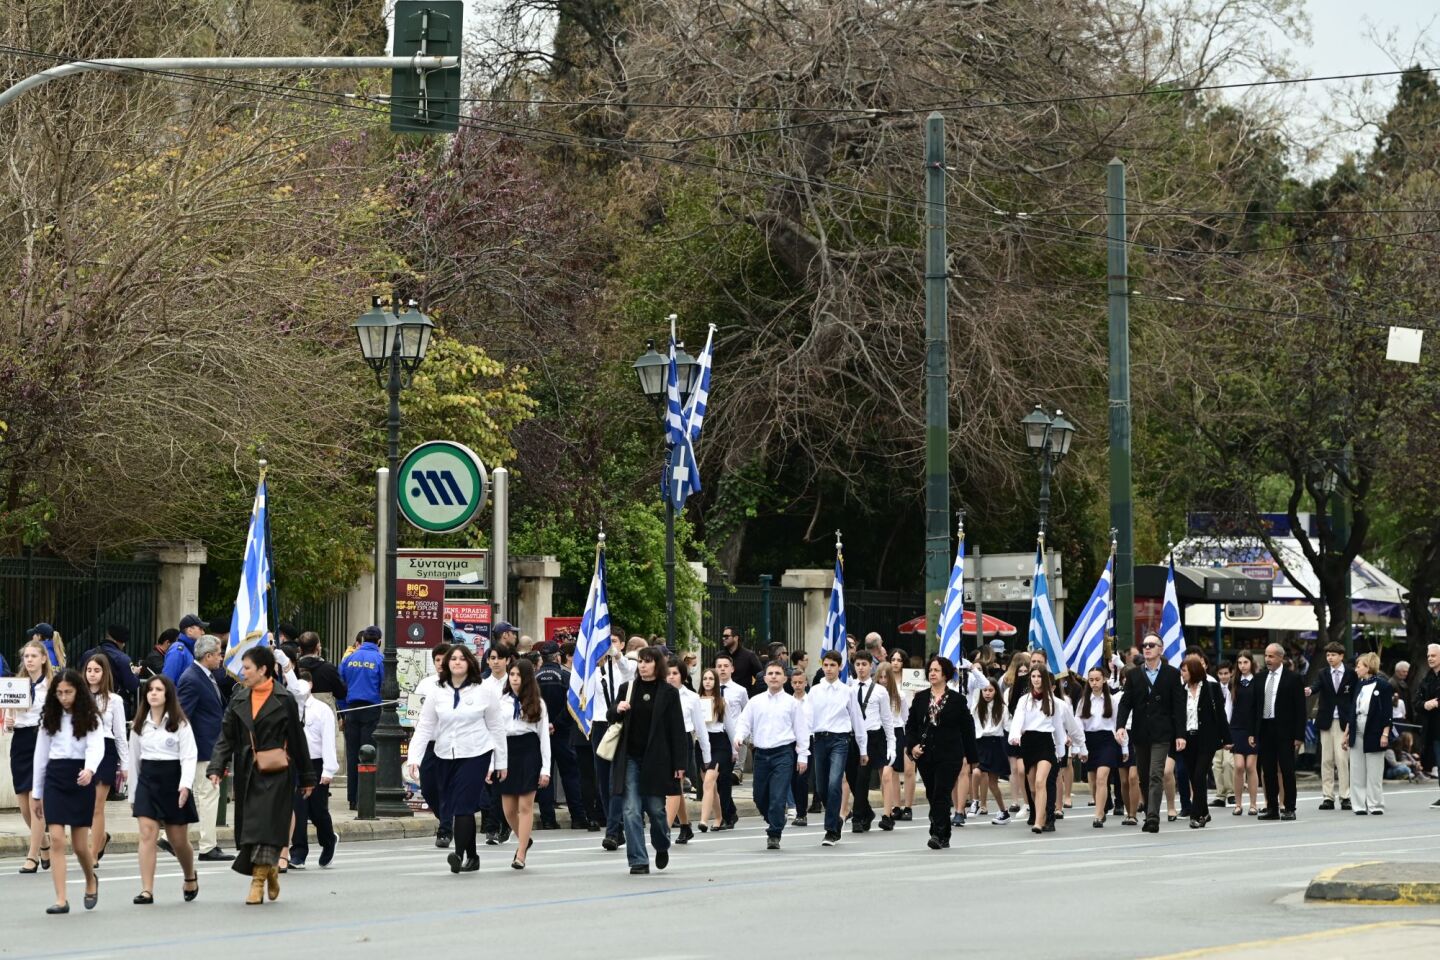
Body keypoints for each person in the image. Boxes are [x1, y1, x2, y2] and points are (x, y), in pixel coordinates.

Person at [206, 646, 314, 904]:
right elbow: (226, 737)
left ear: (263, 669)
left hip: (277, 771)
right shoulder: (239, 698)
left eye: (247, 668)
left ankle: (257, 881)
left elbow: (297, 740)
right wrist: (216, 767)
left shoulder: (284, 698)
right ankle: (271, 872)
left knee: (266, 825)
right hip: (248, 772)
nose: (242, 672)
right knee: (251, 829)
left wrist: (308, 776)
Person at [406, 645, 507, 874]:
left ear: (470, 662)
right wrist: (415, 757)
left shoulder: (484, 690)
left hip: (476, 753)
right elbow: (425, 726)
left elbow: (496, 727)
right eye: (453, 659)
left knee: (463, 804)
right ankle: (472, 856)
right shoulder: (437, 691)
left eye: (462, 658)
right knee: (453, 804)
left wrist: (500, 762)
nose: (457, 662)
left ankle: (458, 855)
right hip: (444, 753)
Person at [607, 646, 688, 874]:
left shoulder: (668, 693)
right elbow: (610, 715)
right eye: (640, 661)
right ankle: (638, 860)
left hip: (657, 761)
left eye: (648, 661)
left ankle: (662, 845)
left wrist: (679, 765)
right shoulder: (628, 688)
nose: (643, 665)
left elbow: (677, 730)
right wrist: (618, 708)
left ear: (657, 665)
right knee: (631, 810)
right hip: (630, 758)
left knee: (656, 811)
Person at [31, 668, 104, 913]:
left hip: (81, 777)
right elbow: (40, 757)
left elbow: (96, 747)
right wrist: (36, 793)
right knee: (58, 840)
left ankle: (90, 879)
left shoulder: (91, 717)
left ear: (78, 692)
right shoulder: (48, 718)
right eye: (59, 692)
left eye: (68, 692)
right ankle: (61, 899)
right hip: (55, 778)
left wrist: (90, 769)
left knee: (81, 845)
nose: (63, 697)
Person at [128, 675, 199, 904]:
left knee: (177, 840)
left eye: (159, 689)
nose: (154, 693)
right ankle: (147, 889)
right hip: (148, 782)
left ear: (167, 694)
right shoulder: (139, 725)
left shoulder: (180, 723)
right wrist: (133, 794)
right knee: (147, 833)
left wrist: (185, 785)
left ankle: (190, 875)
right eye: (150, 689)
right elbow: (134, 761)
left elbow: (189, 757)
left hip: (174, 782)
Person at [732, 661, 810, 850]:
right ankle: (775, 819)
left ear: (785, 678)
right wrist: (739, 736)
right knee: (759, 796)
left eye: (778, 673)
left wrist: (802, 756)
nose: (774, 676)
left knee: (777, 796)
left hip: (783, 753)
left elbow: (801, 730)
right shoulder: (755, 701)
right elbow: (744, 722)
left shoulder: (792, 703)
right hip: (761, 754)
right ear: (765, 678)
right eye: (770, 673)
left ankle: (774, 833)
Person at [1115, 632, 1186, 834]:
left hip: (1163, 734)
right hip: (1140, 733)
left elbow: (1178, 706)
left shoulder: (1172, 674)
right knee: (1144, 776)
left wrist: (1180, 734)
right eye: (1144, 645)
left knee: (1156, 774)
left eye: (1151, 645)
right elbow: (1125, 702)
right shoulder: (1134, 674)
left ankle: (1153, 817)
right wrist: (1120, 726)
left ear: (1160, 649)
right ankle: (1149, 811)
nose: (1147, 648)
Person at [906, 655, 978, 849]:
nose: (932, 673)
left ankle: (936, 833)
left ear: (945, 674)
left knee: (941, 792)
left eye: (936, 670)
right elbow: (911, 726)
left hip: (950, 754)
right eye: (930, 670)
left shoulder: (957, 700)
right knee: (932, 793)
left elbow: (967, 728)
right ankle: (944, 832)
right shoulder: (920, 698)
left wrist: (972, 757)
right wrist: (912, 746)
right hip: (926, 754)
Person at [174, 636, 232, 862]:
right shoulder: (192, 678)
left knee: (202, 795)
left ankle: (174, 837)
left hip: (208, 745)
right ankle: (208, 846)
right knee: (208, 795)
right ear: (208, 656)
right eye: (219, 653)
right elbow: (183, 715)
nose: (221, 657)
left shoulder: (204, 676)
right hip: (202, 747)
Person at [807, 650, 867, 846]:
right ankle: (837, 816)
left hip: (840, 740)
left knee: (835, 783)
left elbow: (857, 719)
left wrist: (863, 748)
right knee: (821, 787)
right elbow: (807, 717)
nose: (829, 669)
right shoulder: (815, 690)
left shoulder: (847, 691)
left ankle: (831, 830)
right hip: (819, 740)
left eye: (833, 665)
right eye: (826, 665)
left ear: (840, 667)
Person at [6, 639, 53, 873]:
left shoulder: (53, 686)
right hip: (21, 742)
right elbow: (7, 721)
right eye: (26, 657)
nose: (30, 660)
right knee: (23, 805)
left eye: (34, 656)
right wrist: (9, 722)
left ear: (44, 659)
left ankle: (32, 856)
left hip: (42, 740)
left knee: (37, 802)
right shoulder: (16, 685)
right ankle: (43, 842)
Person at [499, 659, 550, 869]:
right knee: (509, 809)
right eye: (511, 675)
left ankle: (521, 854)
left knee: (525, 805)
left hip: (529, 751)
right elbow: (494, 732)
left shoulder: (538, 703)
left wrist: (545, 769)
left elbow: (544, 738)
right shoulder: (501, 701)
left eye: (518, 675)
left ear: (527, 678)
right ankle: (524, 839)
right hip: (507, 751)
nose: (514, 679)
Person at [1249, 642, 1306, 822]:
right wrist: (1252, 732)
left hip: (1285, 730)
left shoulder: (1293, 678)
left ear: (1281, 658)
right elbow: (1254, 707)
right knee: (1268, 770)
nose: (1267, 659)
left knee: (1287, 769)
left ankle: (1289, 807)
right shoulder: (1259, 678)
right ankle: (1272, 807)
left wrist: (1298, 736)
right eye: (1266, 656)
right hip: (1265, 728)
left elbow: (1300, 709)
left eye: (1271, 656)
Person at [81, 654, 129, 864]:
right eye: (89, 670)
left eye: (97, 670)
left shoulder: (114, 700)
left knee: (96, 806)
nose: (92, 674)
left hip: (105, 750)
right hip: (82, 750)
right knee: (83, 805)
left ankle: (93, 854)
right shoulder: (77, 697)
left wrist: (125, 764)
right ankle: (102, 837)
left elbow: (120, 734)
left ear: (104, 673)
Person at [535, 641, 585, 830]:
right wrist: (556, 724)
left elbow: (531, 704)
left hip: (541, 734)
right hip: (563, 733)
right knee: (570, 775)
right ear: (557, 657)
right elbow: (571, 705)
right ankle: (578, 817)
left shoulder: (534, 677)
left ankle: (548, 819)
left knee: (545, 776)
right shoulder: (567, 677)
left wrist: (544, 725)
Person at [289, 675, 338, 869]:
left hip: (316, 764)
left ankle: (328, 840)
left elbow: (328, 741)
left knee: (318, 811)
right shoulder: (292, 709)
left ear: (311, 685)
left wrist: (328, 770)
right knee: (297, 810)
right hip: (296, 764)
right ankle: (298, 853)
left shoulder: (321, 710)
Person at [590, 635, 634, 850]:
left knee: (614, 781)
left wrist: (614, 653)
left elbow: (627, 670)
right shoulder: (594, 671)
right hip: (599, 726)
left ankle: (614, 831)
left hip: (619, 726)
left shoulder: (624, 667)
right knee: (603, 781)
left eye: (614, 640)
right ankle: (614, 825)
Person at [1008, 666, 1062, 835]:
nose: (1036, 679)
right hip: (1028, 742)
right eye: (1033, 676)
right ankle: (1041, 812)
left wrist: (1060, 750)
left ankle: (1039, 821)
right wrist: (1015, 735)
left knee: (1040, 782)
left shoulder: (1052, 700)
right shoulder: (1024, 699)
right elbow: (1017, 720)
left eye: (1039, 676)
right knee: (1032, 786)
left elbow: (1058, 726)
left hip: (1045, 742)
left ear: (1044, 679)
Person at [846, 652, 896, 832]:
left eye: (864, 664)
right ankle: (866, 811)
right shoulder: (848, 688)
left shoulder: (880, 691)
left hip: (872, 737)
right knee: (852, 778)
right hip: (853, 738)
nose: (860, 668)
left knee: (863, 778)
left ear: (870, 667)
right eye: (858, 664)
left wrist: (892, 745)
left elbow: (887, 719)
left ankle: (858, 818)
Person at [337, 625, 384, 810]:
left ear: (363, 639)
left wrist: (343, 711)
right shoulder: (380, 659)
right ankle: (364, 797)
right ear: (379, 641)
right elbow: (385, 686)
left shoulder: (349, 659)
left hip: (351, 710)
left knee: (352, 754)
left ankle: (352, 799)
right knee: (368, 754)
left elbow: (340, 688)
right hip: (372, 709)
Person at [1179, 654, 1228, 828]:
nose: (1182, 674)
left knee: (1200, 774)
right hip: (1187, 740)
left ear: (1193, 671)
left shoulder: (1211, 688)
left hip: (1206, 739)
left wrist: (1226, 738)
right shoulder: (1180, 690)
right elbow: (1177, 717)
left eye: (1184, 670)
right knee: (1194, 777)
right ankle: (1205, 811)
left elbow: (1220, 715)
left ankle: (1196, 814)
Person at [412, 643, 454, 845]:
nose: (440, 664)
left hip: (449, 742)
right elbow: (413, 712)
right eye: (437, 660)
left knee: (445, 786)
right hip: (430, 743)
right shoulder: (425, 684)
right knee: (428, 787)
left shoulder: (458, 684)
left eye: (444, 659)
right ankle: (445, 818)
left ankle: (445, 828)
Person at [666, 658, 709, 843]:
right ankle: (685, 825)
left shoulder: (691, 697)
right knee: (674, 788)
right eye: (667, 673)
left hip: (682, 741)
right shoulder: (660, 693)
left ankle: (664, 829)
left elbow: (700, 727)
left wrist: (706, 756)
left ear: (682, 676)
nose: (671, 677)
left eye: (675, 673)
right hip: (662, 743)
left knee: (674, 786)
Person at [1347, 651, 1395, 815]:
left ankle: (1375, 804)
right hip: (1357, 729)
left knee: (1374, 771)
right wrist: (1347, 733)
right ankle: (1359, 805)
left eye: (1358, 666)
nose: (1356, 669)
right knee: (1356, 770)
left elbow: (1387, 713)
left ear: (1367, 667)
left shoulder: (1383, 686)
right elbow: (1352, 710)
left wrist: (1385, 734)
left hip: (1374, 731)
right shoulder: (1359, 685)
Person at [1311, 641, 1356, 812]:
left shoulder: (1351, 674)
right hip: (1326, 721)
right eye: (1328, 655)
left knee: (1342, 759)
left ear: (1341, 656)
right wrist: (1309, 690)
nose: (1330, 658)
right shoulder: (1323, 673)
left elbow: (1353, 696)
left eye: (1333, 655)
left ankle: (1345, 796)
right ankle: (1328, 797)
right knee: (1326, 760)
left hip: (1344, 722)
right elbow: (1316, 686)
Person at [1079, 667, 1120, 828]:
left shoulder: (1112, 700)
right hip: (1090, 740)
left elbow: (1118, 725)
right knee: (1094, 780)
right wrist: (1080, 746)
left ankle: (1098, 814)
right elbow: (1078, 723)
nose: (1094, 683)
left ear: (1104, 679)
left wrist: (1123, 748)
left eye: (1097, 679)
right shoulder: (1084, 701)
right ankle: (1103, 804)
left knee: (1103, 777)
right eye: (1091, 680)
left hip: (1107, 740)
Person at [712, 652, 749, 829]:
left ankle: (726, 815)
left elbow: (746, 714)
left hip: (731, 738)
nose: (722, 669)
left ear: (732, 669)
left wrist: (744, 739)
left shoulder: (740, 691)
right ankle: (730, 811)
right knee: (714, 779)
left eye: (726, 666)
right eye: (719, 666)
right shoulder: (709, 689)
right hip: (713, 737)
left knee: (724, 778)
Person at [972, 677, 1010, 822]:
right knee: (977, 772)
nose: (987, 693)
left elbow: (1008, 726)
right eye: (985, 690)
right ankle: (977, 802)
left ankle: (1002, 811)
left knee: (992, 783)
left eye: (990, 690)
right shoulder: (976, 708)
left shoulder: (1002, 707)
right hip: (981, 744)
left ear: (996, 691)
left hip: (995, 744)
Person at [696, 667, 728, 832]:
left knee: (709, 781)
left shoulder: (721, 702)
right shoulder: (695, 701)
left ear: (716, 682)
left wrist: (736, 750)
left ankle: (703, 820)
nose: (707, 681)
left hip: (719, 744)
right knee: (710, 785)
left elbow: (729, 727)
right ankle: (718, 817)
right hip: (702, 743)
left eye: (711, 679)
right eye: (705, 678)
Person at [887, 649, 918, 820]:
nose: (896, 662)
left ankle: (908, 806)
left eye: (899, 659)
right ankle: (896, 805)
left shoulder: (911, 680)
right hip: (892, 727)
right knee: (892, 769)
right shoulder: (887, 680)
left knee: (908, 769)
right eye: (893, 659)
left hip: (909, 727)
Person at [1229, 650, 1260, 816]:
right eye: (1240, 663)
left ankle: (1254, 804)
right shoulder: (1234, 682)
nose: (1242, 666)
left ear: (1251, 663)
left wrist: (1256, 732)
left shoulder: (1258, 681)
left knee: (1250, 766)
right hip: (1236, 727)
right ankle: (1238, 804)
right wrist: (1226, 732)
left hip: (1252, 728)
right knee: (1239, 766)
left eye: (1245, 663)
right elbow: (1229, 707)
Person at [874, 663, 906, 826]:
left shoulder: (899, 695)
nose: (884, 680)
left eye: (887, 677)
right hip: (879, 734)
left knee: (889, 772)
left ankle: (892, 809)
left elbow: (905, 717)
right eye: (881, 677)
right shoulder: (874, 694)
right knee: (883, 775)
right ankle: (889, 806)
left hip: (896, 732)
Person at [84, 625, 138, 719]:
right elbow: (132, 685)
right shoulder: (123, 659)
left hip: (89, 702)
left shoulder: (87, 654)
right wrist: (135, 674)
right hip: (114, 705)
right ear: (120, 642)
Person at [1415, 643, 1440, 809]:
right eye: (1429, 656)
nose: (1430, 658)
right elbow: (1416, 702)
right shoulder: (1428, 678)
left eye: (1433, 655)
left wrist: (1436, 702)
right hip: (1434, 730)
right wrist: (1425, 704)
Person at [296, 631, 347, 703]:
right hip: (325, 712)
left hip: (301, 712)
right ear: (318, 648)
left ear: (300, 649)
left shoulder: (294, 669)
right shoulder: (329, 668)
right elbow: (341, 693)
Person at [719, 626, 764, 696]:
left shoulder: (749, 656)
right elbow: (712, 675)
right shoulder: (719, 656)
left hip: (743, 699)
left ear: (736, 638)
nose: (723, 638)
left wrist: (751, 692)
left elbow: (761, 677)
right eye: (723, 636)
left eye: (726, 636)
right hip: (722, 697)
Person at [162, 614, 207, 683]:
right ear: (189, 631)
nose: (203, 632)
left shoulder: (188, 649)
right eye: (200, 629)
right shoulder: (178, 650)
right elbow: (167, 681)